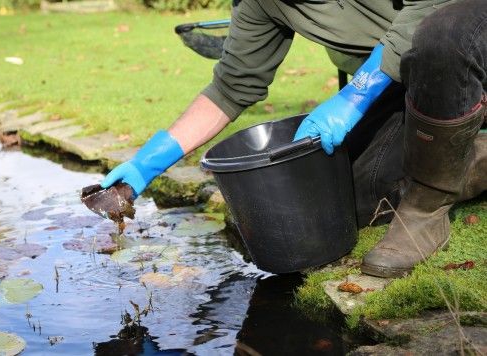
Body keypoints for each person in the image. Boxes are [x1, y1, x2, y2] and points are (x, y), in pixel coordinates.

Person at [101, 0, 486, 278]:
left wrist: (357, 92)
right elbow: (230, 87)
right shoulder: (259, 4)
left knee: (442, 35)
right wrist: (146, 163)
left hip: (468, 40)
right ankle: (469, 158)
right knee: (343, 198)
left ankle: (426, 212)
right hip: (419, 91)